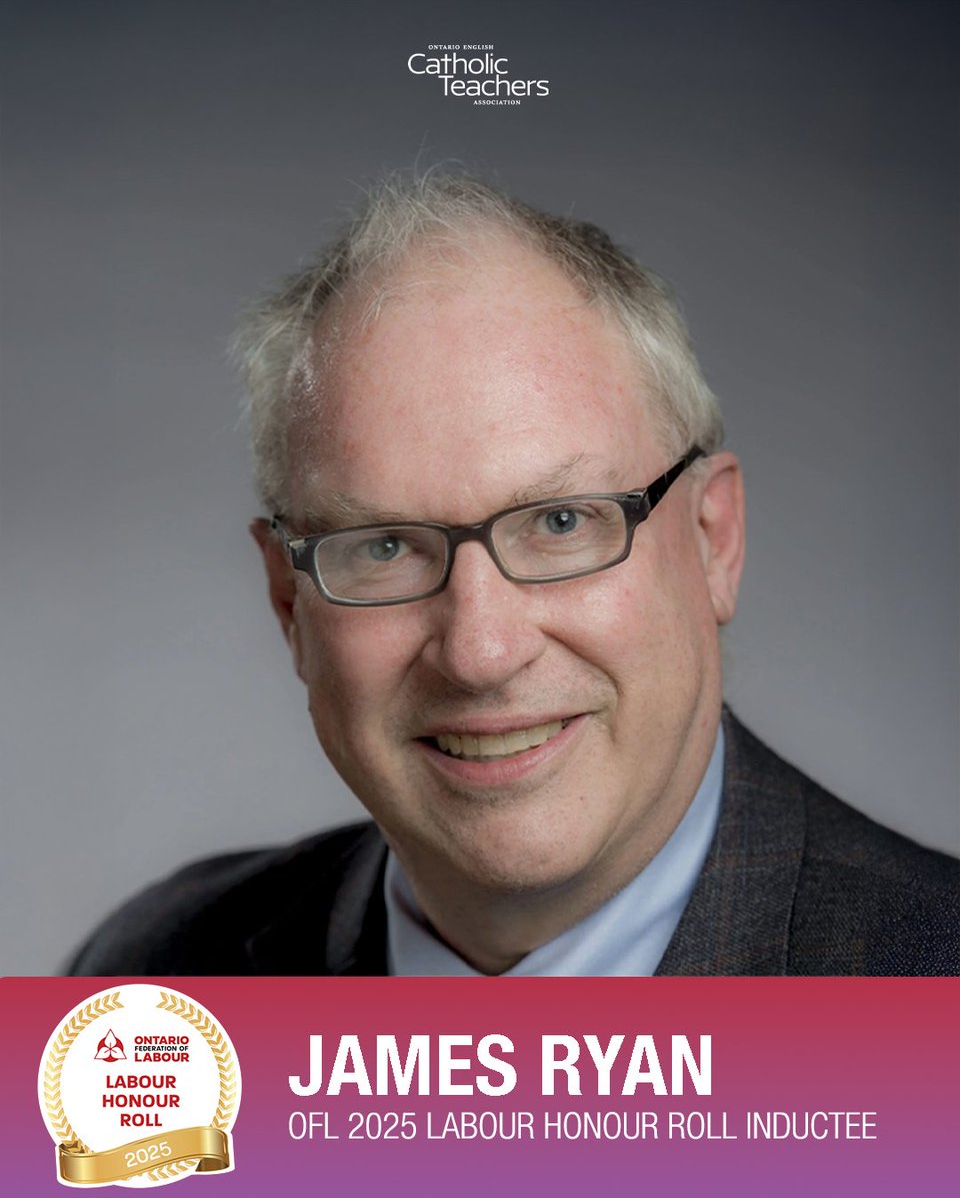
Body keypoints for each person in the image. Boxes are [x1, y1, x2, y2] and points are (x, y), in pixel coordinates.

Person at [68, 175, 958, 977]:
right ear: (288, 602)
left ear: (713, 540)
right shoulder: (149, 986)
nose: (480, 652)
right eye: (384, 546)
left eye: (560, 522)